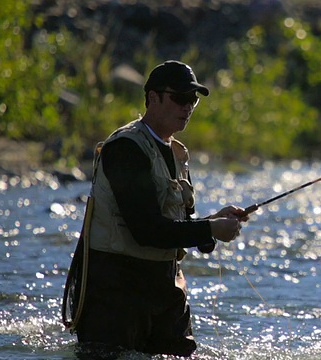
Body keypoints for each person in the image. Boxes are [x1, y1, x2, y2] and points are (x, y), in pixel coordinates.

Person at [71, 60, 248, 357]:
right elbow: (146, 230)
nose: (188, 106)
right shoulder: (126, 149)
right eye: (180, 98)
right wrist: (210, 229)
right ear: (153, 98)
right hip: (116, 294)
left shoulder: (177, 153)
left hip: (165, 288)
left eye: (193, 100)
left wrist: (213, 222)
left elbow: (180, 226)